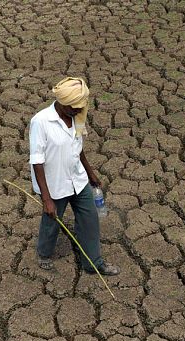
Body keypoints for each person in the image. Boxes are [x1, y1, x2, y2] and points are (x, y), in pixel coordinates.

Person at [27, 77, 119, 276]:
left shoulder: (77, 116)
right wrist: (46, 198)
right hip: (54, 184)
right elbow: (37, 161)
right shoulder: (41, 122)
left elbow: (77, 147)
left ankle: (94, 263)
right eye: (74, 107)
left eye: (80, 106)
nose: (79, 110)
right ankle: (44, 254)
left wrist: (90, 172)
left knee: (90, 219)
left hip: (77, 179)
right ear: (62, 102)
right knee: (52, 221)